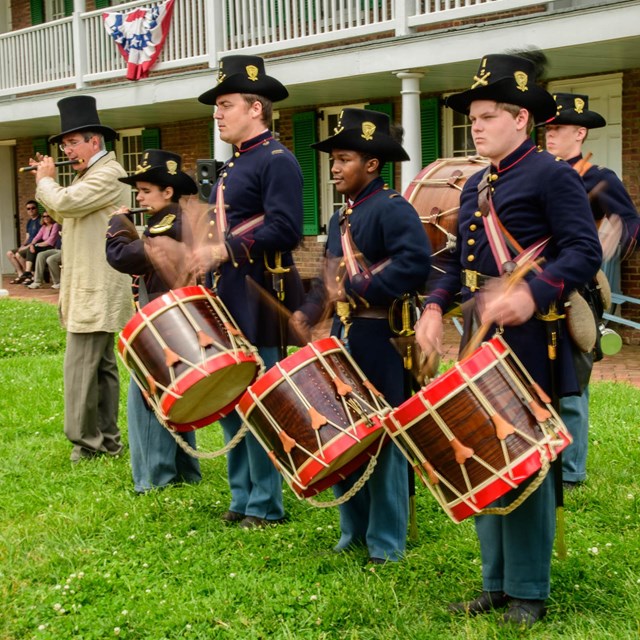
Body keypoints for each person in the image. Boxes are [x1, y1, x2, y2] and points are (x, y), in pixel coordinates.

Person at [414, 52, 602, 626]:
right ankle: (495, 583)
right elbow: (456, 265)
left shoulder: (551, 176)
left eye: (488, 115)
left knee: (526, 462)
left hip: (533, 342)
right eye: (473, 117)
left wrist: (534, 293)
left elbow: (583, 251)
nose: (476, 126)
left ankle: (528, 590)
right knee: (483, 450)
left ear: (522, 119)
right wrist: (431, 306)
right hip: (480, 335)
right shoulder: (475, 185)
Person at [293, 108, 431, 563]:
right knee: (343, 429)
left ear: (372, 163)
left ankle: (386, 542)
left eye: (344, 158)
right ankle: (352, 530)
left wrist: (356, 286)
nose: (333, 167)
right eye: (333, 159)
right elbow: (326, 281)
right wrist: (306, 314)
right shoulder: (339, 219)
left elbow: (414, 265)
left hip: (381, 335)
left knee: (383, 436)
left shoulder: (393, 208)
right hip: (342, 334)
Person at [196, 55, 305, 528]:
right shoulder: (233, 165)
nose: (217, 114)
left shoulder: (277, 160)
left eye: (225, 104)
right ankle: (242, 497)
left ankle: (266, 503)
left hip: (263, 295)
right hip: (229, 293)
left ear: (255, 108)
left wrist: (224, 250)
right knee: (229, 399)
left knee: (259, 401)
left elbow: (286, 228)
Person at [29, 95, 133, 463]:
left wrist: (44, 182)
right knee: (101, 368)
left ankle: (85, 444)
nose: (68, 150)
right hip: (91, 285)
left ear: (94, 141)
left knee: (80, 367)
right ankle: (106, 441)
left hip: (96, 286)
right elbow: (61, 206)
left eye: (73, 142)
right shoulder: (89, 174)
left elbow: (66, 203)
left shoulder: (110, 172)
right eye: (64, 144)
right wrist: (51, 189)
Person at [544, 92, 640, 487]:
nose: (549, 135)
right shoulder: (538, 173)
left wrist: (609, 244)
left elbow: (631, 222)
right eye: (546, 129)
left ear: (580, 132)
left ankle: (571, 472)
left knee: (572, 381)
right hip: (537, 286)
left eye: (557, 129)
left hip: (577, 290)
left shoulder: (597, 178)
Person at [106, 149, 203, 494]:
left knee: (147, 401)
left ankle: (153, 478)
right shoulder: (179, 220)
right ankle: (184, 471)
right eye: (139, 191)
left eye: (146, 191)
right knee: (175, 395)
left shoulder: (167, 224)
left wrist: (118, 224)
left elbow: (122, 257)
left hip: (163, 323)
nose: (139, 197)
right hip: (177, 319)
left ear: (168, 192)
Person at [21, 212, 60, 286]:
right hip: (43, 246)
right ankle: (30, 274)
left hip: (52, 247)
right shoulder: (44, 227)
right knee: (32, 250)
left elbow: (50, 241)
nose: (46, 218)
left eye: (48, 216)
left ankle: (31, 275)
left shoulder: (55, 225)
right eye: (44, 216)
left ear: (52, 217)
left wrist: (36, 245)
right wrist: (32, 244)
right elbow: (37, 237)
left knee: (35, 251)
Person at [7, 200, 41, 284]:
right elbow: (28, 237)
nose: (31, 210)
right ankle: (21, 274)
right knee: (9, 253)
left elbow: (39, 238)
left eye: (33, 208)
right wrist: (23, 245)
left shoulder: (41, 220)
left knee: (19, 254)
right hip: (28, 244)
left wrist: (26, 247)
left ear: (37, 209)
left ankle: (29, 275)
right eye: (28, 209)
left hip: (36, 245)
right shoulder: (29, 222)